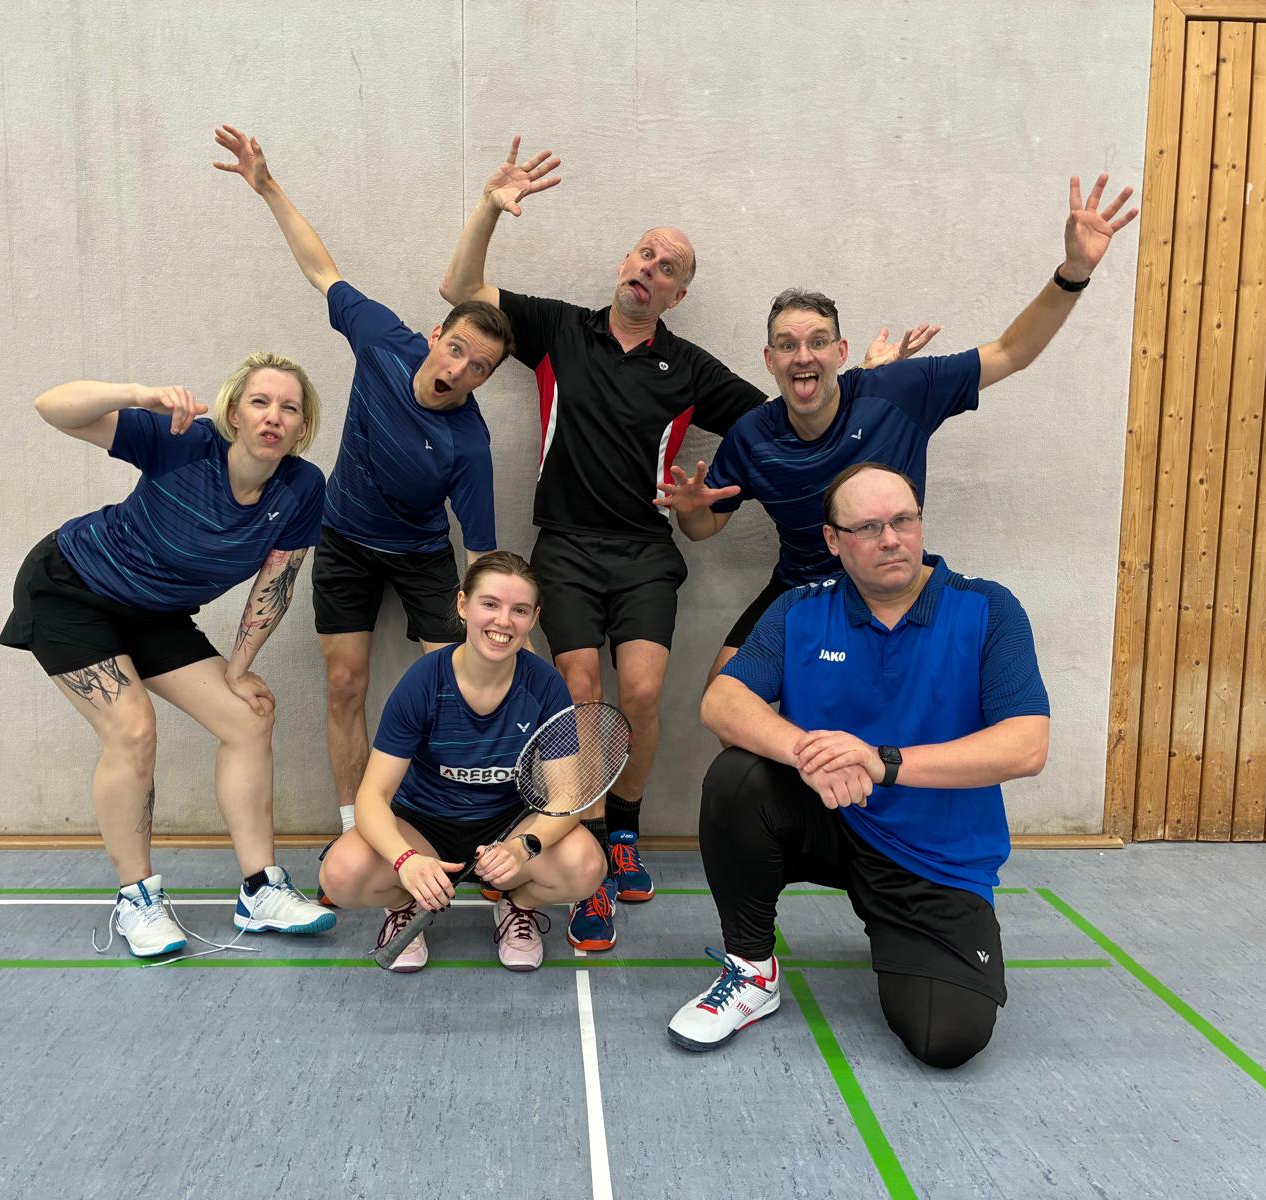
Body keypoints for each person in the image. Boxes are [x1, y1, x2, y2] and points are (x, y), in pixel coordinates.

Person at [439, 138, 927, 952]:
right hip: (562, 545)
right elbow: (459, 290)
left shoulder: (691, 367)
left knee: (640, 692)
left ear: (678, 292)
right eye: (645, 253)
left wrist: (865, 381)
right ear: (625, 261)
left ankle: (622, 830)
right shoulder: (558, 329)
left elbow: (792, 407)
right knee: (580, 685)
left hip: (644, 553)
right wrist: (490, 205)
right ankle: (584, 846)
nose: (651, 269)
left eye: (669, 267)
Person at [657, 172, 1138, 691]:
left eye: (818, 342)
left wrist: (1073, 272)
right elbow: (705, 528)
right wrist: (692, 512)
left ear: (840, 354)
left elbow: (1010, 352)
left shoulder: (898, 390)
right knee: (724, 695)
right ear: (769, 360)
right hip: (803, 589)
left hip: (894, 586)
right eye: (788, 345)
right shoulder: (752, 434)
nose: (804, 356)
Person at [667, 464, 1050, 1066]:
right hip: (833, 820)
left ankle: (900, 932)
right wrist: (808, 754)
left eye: (902, 520)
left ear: (920, 523)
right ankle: (751, 973)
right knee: (738, 779)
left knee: (944, 1041)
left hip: (933, 858)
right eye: (868, 526)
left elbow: (1026, 745)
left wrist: (881, 761)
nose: (890, 538)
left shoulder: (988, 608)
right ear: (832, 540)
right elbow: (722, 700)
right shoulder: (800, 610)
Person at [214, 125, 515, 835]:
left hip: (420, 556)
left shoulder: (469, 442)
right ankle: (357, 830)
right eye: (458, 352)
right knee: (345, 683)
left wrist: (503, 624)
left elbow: (479, 552)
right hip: (344, 538)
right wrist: (267, 186)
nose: (460, 372)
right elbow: (322, 268)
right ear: (437, 336)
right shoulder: (382, 338)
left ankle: (442, 825)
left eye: (480, 369)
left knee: (456, 687)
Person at [0, 356, 334, 958]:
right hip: (72, 588)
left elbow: (275, 584)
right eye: (260, 402)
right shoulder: (181, 442)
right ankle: (137, 900)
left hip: (154, 612)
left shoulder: (302, 486)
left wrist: (236, 669)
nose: (273, 417)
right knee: (132, 729)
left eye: (289, 408)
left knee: (249, 717)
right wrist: (138, 395)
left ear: (302, 427)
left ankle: (261, 891)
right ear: (234, 412)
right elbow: (52, 406)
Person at [317, 552, 607, 972]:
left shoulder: (545, 684)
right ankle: (403, 905)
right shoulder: (423, 681)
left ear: (533, 617)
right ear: (463, 605)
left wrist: (523, 847)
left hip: (505, 828)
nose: (503, 621)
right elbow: (372, 796)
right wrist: (405, 860)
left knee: (586, 865)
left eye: (519, 610)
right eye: (490, 604)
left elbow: (566, 797)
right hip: (423, 826)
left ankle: (516, 908)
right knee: (340, 874)